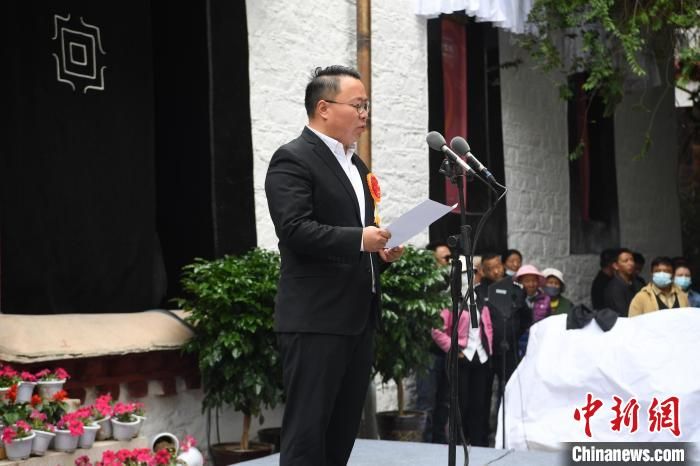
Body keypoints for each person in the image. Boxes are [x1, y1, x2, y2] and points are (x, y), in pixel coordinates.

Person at [265, 65, 404, 466]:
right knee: (307, 434)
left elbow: (358, 239)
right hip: (316, 318)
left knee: (341, 432)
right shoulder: (293, 158)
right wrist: (361, 239)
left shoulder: (358, 167)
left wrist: (380, 254)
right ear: (324, 108)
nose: (365, 114)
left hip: (358, 317)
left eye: (367, 105)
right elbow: (295, 229)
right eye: (358, 105)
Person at [431, 304, 493, 446]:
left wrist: (489, 350)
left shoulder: (481, 303)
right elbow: (436, 330)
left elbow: (488, 328)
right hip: (461, 357)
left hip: (481, 357)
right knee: (460, 403)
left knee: (479, 404)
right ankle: (457, 441)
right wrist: (454, 349)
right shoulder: (451, 304)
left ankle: (477, 442)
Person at [513, 265, 551, 356]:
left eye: (534, 281)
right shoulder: (514, 299)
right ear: (519, 283)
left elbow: (549, 320)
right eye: (527, 281)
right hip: (519, 341)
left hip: (539, 340)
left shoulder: (546, 299)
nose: (531, 284)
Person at [603, 248, 642, 317]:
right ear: (616, 266)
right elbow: (623, 314)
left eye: (632, 260)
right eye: (625, 261)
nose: (631, 263)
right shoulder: (614, 288)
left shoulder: (637, 283)